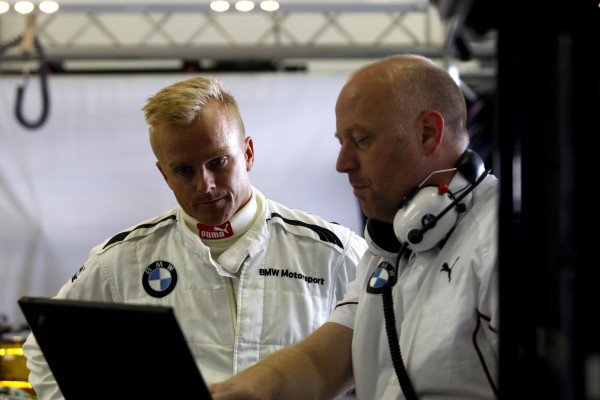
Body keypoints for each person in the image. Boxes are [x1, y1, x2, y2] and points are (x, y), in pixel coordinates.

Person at [22, 76, 367, 399]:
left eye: (218, 162)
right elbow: (44, 349)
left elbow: (388, 358)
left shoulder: (334, 252)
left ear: (247, 154)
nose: (206, 185)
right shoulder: (121, 260)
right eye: (184, 170)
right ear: (164, 174)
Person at [209, 54, 499, 400]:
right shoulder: (389, 247)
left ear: (427, 133)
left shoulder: (498, 239)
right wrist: (232, 392)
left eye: (360, 140)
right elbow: (319, 364)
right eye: (341, 141)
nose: (342, 163)